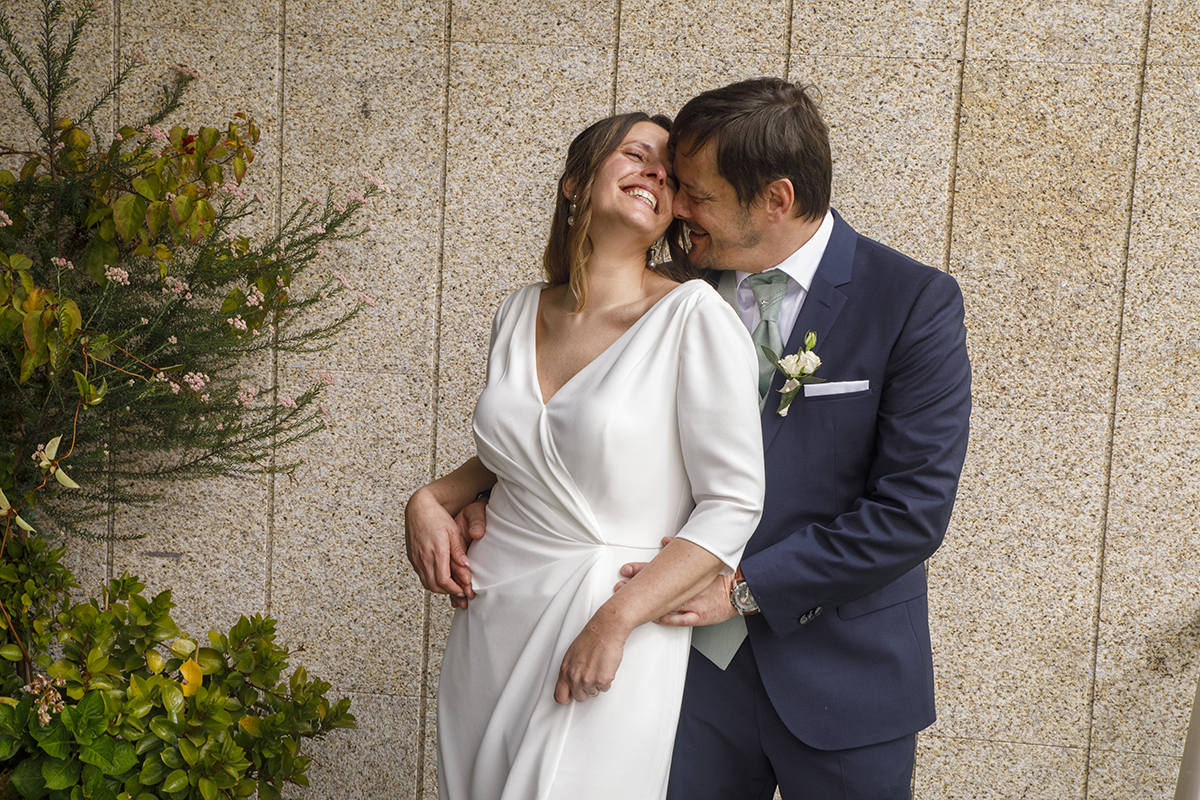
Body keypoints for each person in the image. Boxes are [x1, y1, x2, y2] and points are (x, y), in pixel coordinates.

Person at [618, 77, 971, 798]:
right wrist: (463, 492)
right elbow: (585, 419)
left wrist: (743, 591)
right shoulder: (670, 292)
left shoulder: (912, 302)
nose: (676, 210)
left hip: (845, 677)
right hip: (683, 679)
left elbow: (910, 512)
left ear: (775, 199)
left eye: (698, 194)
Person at [404, 112, 765, 800]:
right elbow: (532, 450)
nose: (655, 175)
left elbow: (734, 502)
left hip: (609, 619)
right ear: (575, 182)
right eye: (637, 156)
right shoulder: (516, 313)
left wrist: (618, 619)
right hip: (491, 615)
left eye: (670, 175)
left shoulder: (693, 316)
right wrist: (428, 499)